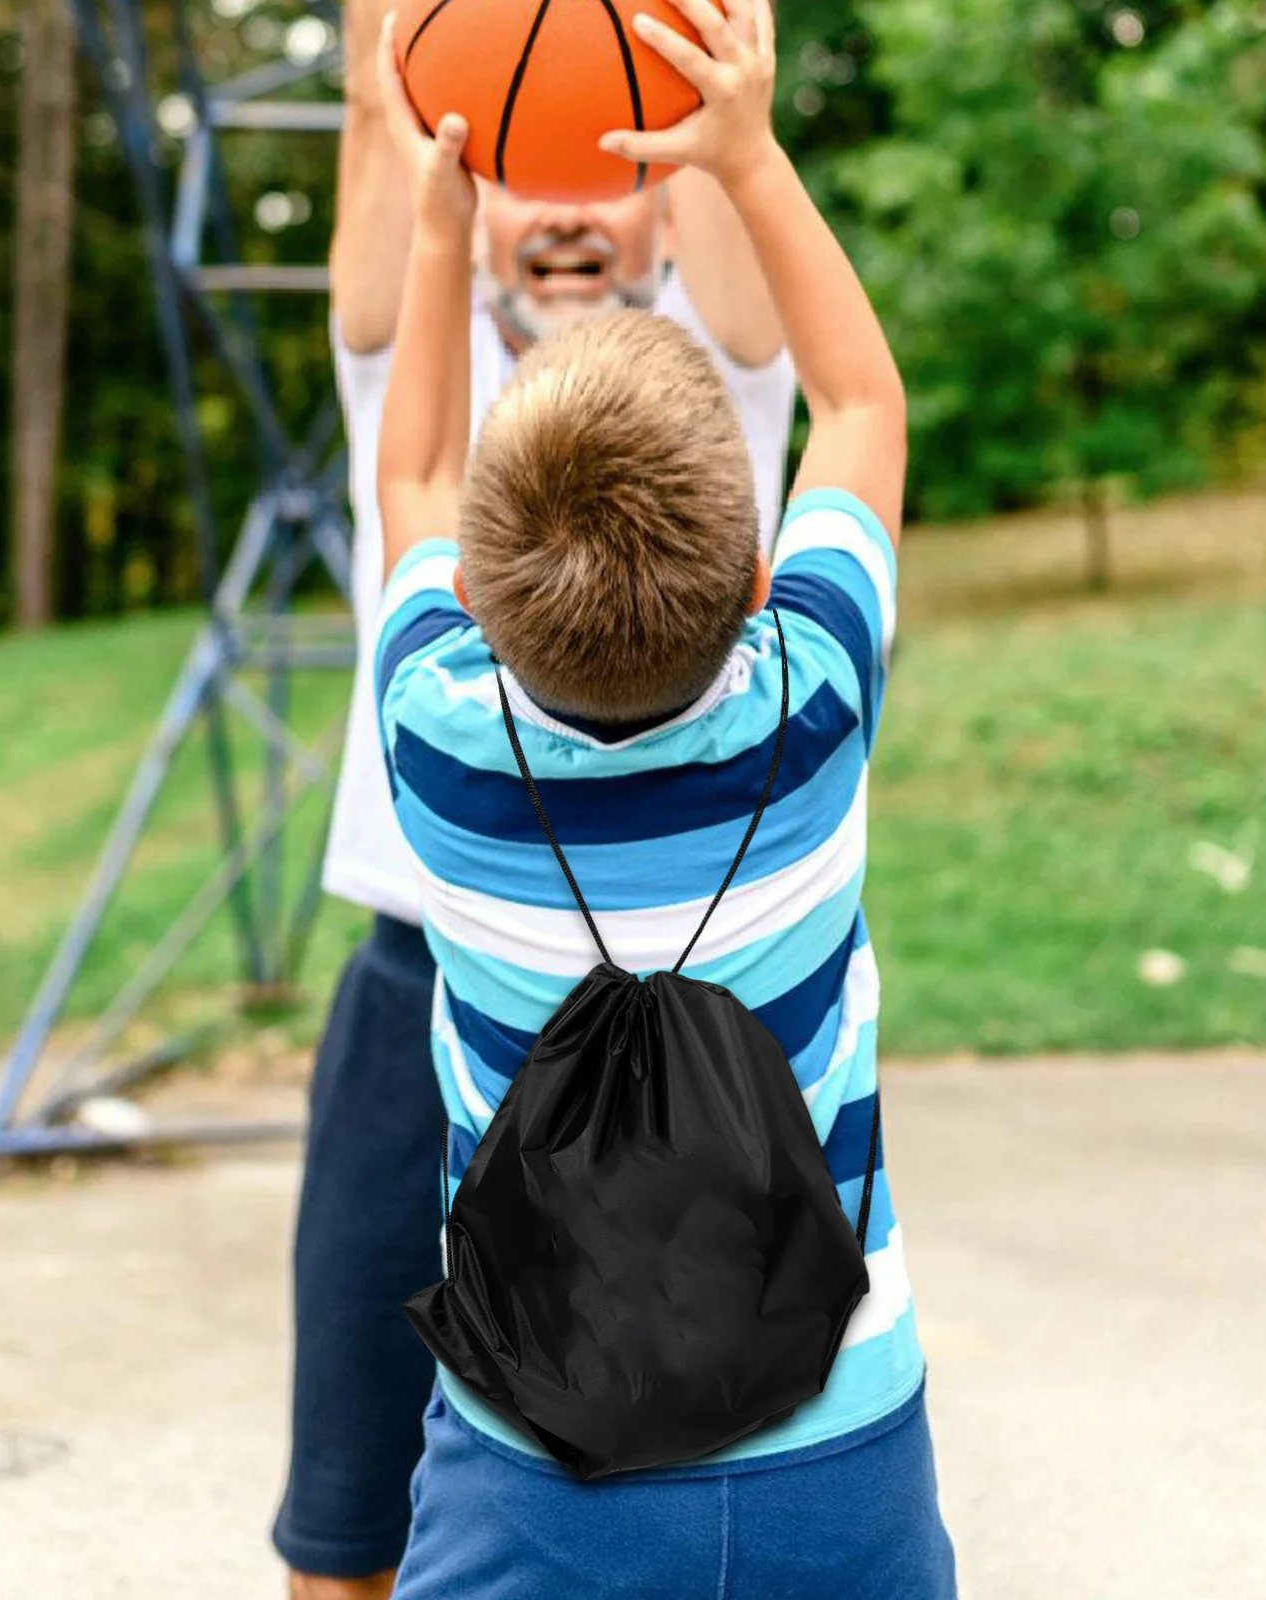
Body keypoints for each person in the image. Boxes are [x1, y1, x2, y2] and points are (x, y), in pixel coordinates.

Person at [365, 0, 957, 1592]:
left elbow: (409, 476)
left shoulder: (439, 745)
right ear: (763, 575)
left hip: (533, 1475)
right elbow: (864, 407)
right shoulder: (813, 704)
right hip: (842, 1449)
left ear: (476, 604)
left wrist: (442, 232)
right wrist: (749, 158)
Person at [273, 0, 798, 1591]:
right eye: (524, 167)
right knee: (349, 1504)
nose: (569, 201)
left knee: (696, 1489)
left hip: (681, 1007)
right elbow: (382, 110)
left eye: (614, 165)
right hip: (416, 974)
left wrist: (703, 113)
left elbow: (719, 146)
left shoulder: (713, 391)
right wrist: (405, 88)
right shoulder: (412, 393)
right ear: (465, 191)